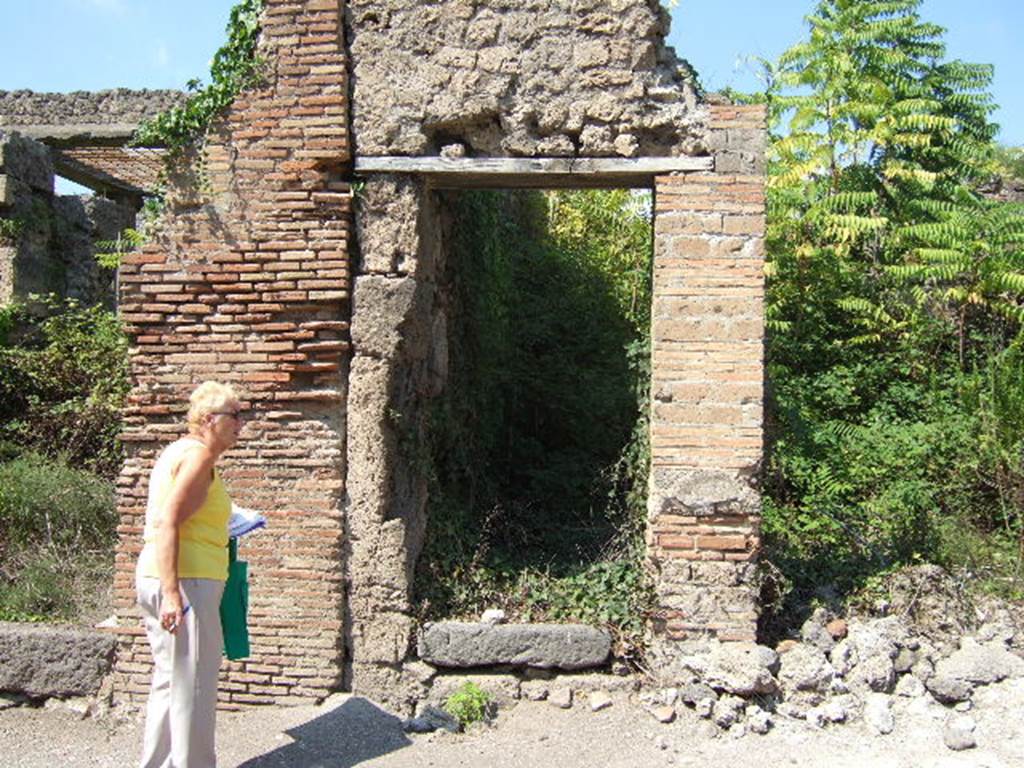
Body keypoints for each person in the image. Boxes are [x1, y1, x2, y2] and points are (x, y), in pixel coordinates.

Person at [135, 381, 244, 768]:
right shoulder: (198, 457)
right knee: (194, 687)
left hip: (164, 576)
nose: (240, 424)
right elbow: (169, 522)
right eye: (235, 415)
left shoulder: (177, 452)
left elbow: (183, 517)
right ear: (210, 420)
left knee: (171, 682)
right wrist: (171, 594)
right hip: (187, 582)